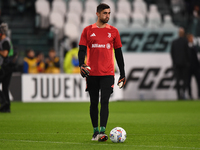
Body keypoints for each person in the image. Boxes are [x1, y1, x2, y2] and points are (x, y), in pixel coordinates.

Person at [78, 3, 126, 141]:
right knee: (94, 102)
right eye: (105, 13)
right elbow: (81, 50)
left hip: (108, 73)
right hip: (92, 73)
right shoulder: (87, 30)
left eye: (109, 13)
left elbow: (119, 54)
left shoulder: (114, 31)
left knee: (105, 101)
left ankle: (103, 132)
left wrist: (122, 73)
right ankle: (95, 132)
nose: (108, 16)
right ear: (97, 14)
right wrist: (82, 64)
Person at [0, 23, 16, 112]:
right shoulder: (7, 40)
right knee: (5, 87)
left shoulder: (4, 41)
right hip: (9, 66)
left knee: (5, 86)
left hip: (5, 67)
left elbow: (5, 54)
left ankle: (3, 101)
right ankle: (7, 107)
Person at [170, 28, 190, 100]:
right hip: (184, 64)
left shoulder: (174, 42)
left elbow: (172, 53)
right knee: (184, 80)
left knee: (178, 81)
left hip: (177, 64)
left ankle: (179, 95)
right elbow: (188, 53)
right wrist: (188, 62)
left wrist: (174, 62)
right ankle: (182, 94)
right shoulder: (185, 41)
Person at [187, 33, 200, 99]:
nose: (192, 39)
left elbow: (196, 57)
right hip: (189, 68)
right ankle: (190, 95)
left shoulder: (195, 47)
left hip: (196, 67)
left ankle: (199, 95)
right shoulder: (186, 47)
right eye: (191, 38)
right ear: (188, 39)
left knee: (198, 81)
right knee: (188, 82)